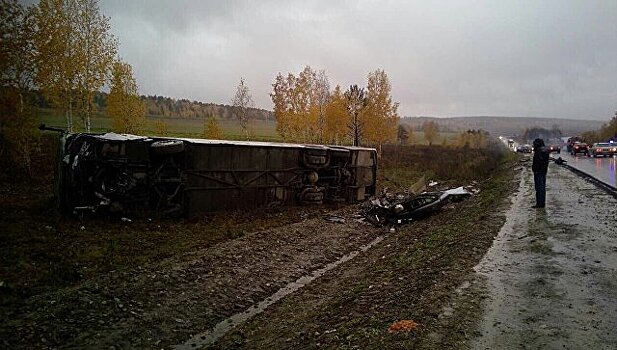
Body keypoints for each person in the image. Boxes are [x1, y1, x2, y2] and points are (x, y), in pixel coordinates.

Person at [531, 138, 550, 208]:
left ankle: (540, 203)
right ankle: (542, 203)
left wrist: (535, 170)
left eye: (534, 143)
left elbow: (538, 162)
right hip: (543, 171)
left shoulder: (539, 151)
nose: (533, 145)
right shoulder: (545, 149)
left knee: (539, 188)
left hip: (538, 172)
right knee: (542, 187)